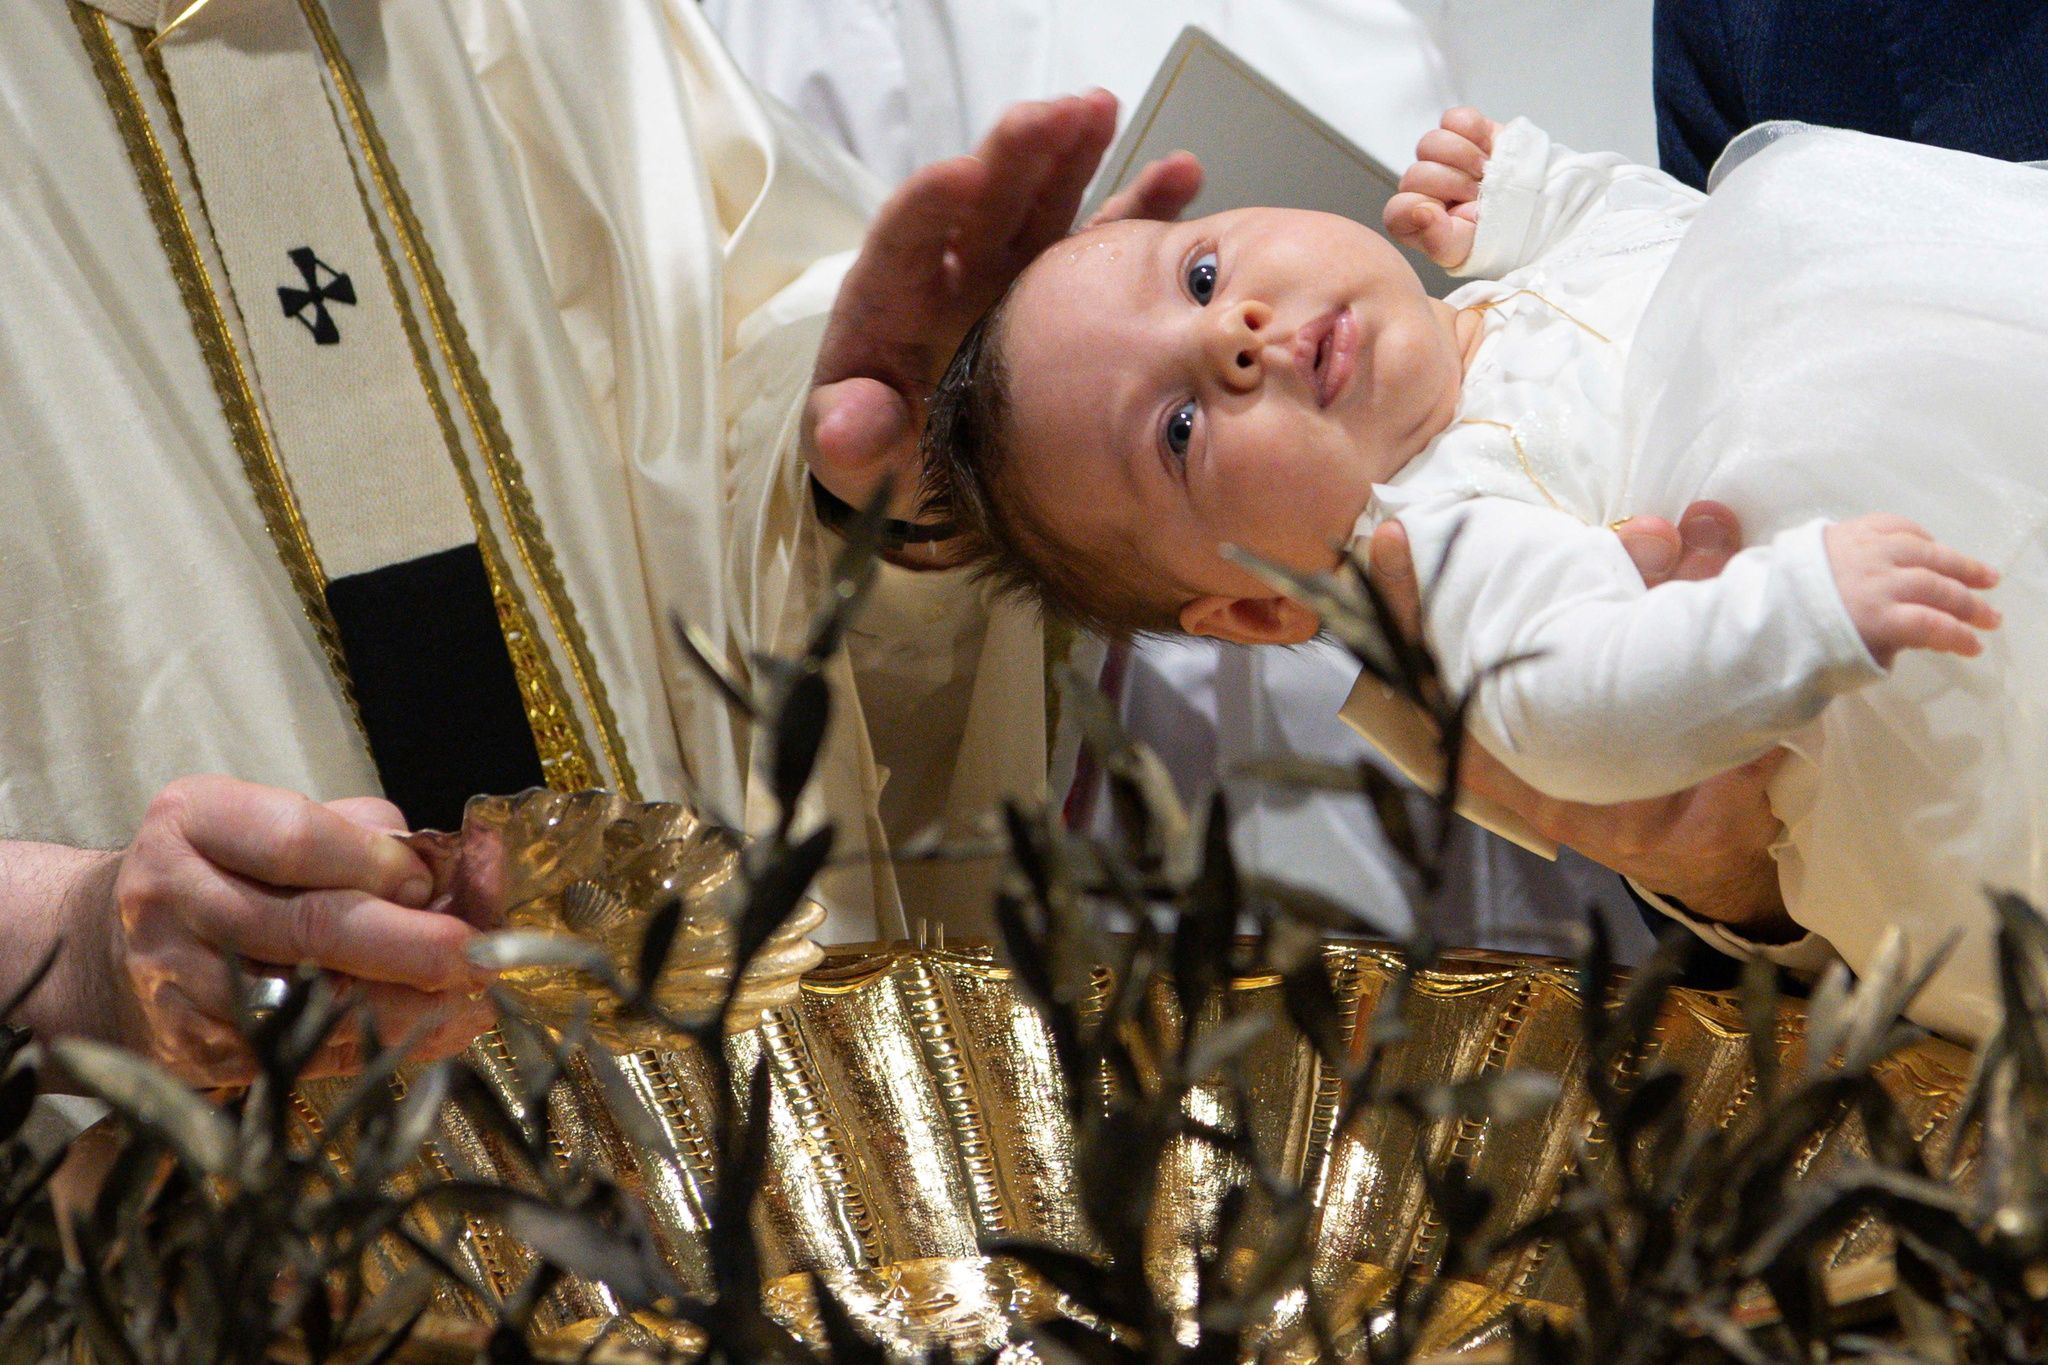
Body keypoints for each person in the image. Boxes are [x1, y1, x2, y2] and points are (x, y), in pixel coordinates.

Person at [1, 0, 1196, 1088]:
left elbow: (744, 397)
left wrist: (887, 494)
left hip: (712, 1160)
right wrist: (78, 949)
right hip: (186, 1211)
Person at [919, 107, 2048, 1038]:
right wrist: (1791, 613)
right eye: (1176, 429)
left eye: (1202, 273)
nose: (1233, 336)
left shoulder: (1514, 281)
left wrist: (1538, 192)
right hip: (1952, 661)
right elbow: (1576, 705)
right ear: (1261, 605)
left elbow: (1675, 230)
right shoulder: (1445, 537)